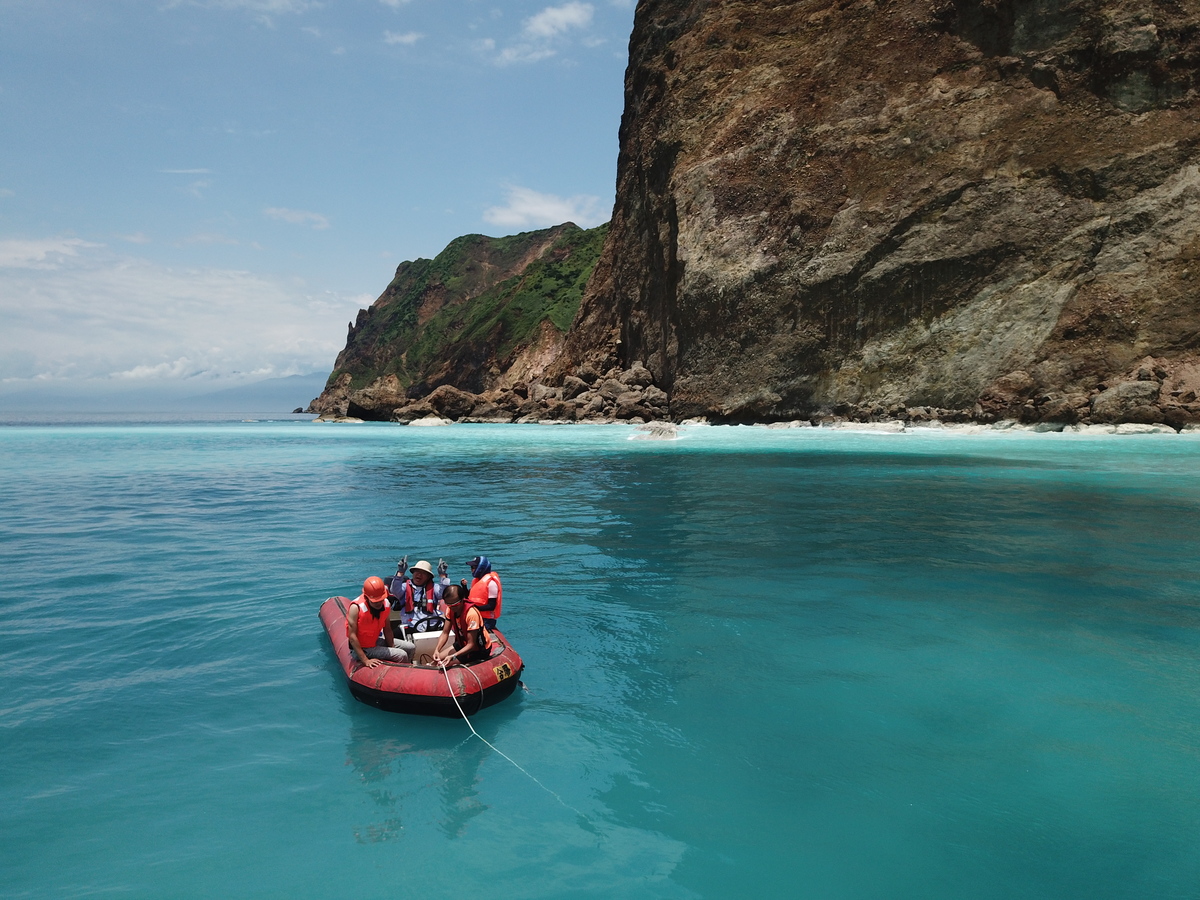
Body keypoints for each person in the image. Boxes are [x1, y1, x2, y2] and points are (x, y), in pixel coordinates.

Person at [347, 576, 414, 668]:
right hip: (362, 648)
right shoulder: (355, 608)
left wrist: (392, 647)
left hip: (374, 641)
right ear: (367, 597)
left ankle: (410, 669)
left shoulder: (386, 604)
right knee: (401, 655)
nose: (379, 604)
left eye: (380, 600)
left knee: (410, 647)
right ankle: (402, 674)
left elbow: (387, 629)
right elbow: (352, 637)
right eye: (375, 602)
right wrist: (365, 660)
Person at [432, 583, 495, 667]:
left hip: (477, 649)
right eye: (448, 605)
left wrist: (453, 656)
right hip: (462, 644)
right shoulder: (450, 610)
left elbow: (471, 645)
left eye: (455, 605)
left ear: (462, 600)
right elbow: (445, 633)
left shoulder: (471, 614)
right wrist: (437, 650)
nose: (452, 607)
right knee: (435, 661)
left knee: (442, 665)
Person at [388, 559, 446, 629]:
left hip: (431, 626)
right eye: (417, 571)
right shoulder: (405, 587)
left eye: (423, 573)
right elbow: (394, 590)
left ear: (428, 577)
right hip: (410, 626)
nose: (419, 575)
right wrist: (400, 573)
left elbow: (444, 593)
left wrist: (443, 576)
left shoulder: (434, 588)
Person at [461, 555, 502, 630]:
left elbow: (492, 606)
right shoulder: (476, 581)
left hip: (487, 620)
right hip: (475, 615)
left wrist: (475, 608)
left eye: (473, 567)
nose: (471, 570)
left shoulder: (491, 583)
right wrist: (464, 587)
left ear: (480, 568)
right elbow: (468, 597)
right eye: (471, 567)